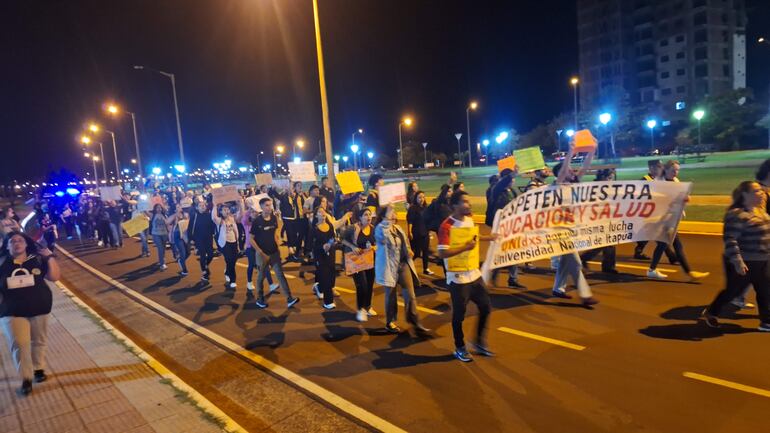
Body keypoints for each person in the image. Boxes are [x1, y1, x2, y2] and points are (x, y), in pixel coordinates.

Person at [701, 181, 770, 331]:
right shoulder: (737, 214)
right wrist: (738, 262)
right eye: (757, 191)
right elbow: (730, 239)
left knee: (765, 291)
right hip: (745, 261)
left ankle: (766, 322)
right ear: (745, 194)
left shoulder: (760, 211)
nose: (762, 193)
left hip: (763, 260)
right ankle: (711, 312)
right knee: (733, 292)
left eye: (762, 190)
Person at [0, 232, 60, 395]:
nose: (17, 243)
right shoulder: (2, 262)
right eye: (12, 241)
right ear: (7, 246)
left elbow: (54, 277)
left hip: (39, 307)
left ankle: (38, 368)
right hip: (11, 311)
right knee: (19, 344)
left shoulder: (37, 259)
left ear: (26, 244)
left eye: (20, 240)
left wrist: (50, 257)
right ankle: (26, 378)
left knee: (38, 340)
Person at [438, 191, 495, 362]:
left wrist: (489, 238)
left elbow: (473, 238)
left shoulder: (469, 219)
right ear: (455, 205)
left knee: (486, 307)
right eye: (465, 202)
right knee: (459, 316)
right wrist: (465, 248)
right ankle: (460, 347)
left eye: (468, 201)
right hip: (458, 278)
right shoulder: (446, 226)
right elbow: (442, 253)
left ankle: (478, 342)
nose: (468, 204)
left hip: (474, 275)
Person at [646, 160, 710, 281]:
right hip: (659, 219)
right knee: (667, 244)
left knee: (671, 245)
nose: (676, 172)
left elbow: (679, 197)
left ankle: (655, 270)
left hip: (671, 219)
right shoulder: (658, 182)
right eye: (673, 170)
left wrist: (685, 199)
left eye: (677, 170)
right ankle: (687, 272)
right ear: (666, 170)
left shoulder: (676, 181)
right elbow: (654, 199)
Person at [550, 156, 599, 307]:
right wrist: (570, 152)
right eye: (568, 170)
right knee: (576, 262)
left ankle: (558, 288)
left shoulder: (574, 184)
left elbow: (585, 167)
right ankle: (585, 295)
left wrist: (591, 152)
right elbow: (563, 171)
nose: (572, 171)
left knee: (566, 261)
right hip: (559, 231)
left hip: (571, 229)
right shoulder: (556, 186)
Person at [375, 205, 430, 335]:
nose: (394, 213)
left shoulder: (398, 228)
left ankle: (415, 321)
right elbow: (384, 238)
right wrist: (387, 221)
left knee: (410, 294)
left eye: (393, 211)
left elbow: (404, 243)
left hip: (403, 265)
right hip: (389, 267)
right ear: (383, 216)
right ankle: (390, 322)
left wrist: (408, 250)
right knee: (391, 296)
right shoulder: (380, 229)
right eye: (391, 211)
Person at [250, 197, 299, 309]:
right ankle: (260, 298)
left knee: (280, 275)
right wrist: (260, 252)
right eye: (267, 205)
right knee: (261, 276)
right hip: (262, 254)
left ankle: (289, 298)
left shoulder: (274, 218)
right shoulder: (257, 221)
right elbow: (251, 239)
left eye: (270, 205)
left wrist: (278, 246)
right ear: (261, 207)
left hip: (274, 253)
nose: (270, 207)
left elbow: (275, 234)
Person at [489, 168, 526, 289]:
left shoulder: (512, 191)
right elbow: (501, 184)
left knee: (514, 250)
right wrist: (511, 175)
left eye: (513, 178)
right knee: (500, 251)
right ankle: (493, 274)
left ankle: (513, 279)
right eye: (511, 178)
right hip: (501, 226)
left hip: (512, 225)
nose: (513, 180)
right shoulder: (496, 190)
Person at [579, 169, 618, 274]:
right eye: (609, 178)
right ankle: (585, 259)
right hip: (598, 219)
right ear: (603, 177)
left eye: (612, 178)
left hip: (608, 218)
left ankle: (608, 266)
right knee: (606, 243)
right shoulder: (595, 188)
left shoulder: (609, 188)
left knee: (609, 242)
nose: (611, 180)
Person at [341, 208, 377, 321]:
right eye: (365, 215)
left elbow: (377, 243)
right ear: (360, 217)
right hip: (356, 262)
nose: (368, 217)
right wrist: (353, 247)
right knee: (362, 285)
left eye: (370, 215)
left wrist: (374, 247)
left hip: (369, 261)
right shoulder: (353, 228)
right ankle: (361, 309)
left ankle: (368, 306)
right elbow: (342, 239)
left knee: (370, 284)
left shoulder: (373, 229)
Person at [242, 206, 279, 294]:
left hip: (260, 247)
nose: (254, 213)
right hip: (250, 247)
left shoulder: (260, 222)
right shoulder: (247, 223)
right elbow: (244, 217)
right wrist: (250, 207)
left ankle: (271, 285)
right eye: (252, 212)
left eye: (256, 212)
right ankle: (249, 282)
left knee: (265, 266)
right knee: (251, 264)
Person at [634, 160, 665, 260]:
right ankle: (672, 256)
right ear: (651, 168)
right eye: (659, 166)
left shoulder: (660, 179)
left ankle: (639, 250)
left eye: (661, 166)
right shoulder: (644, 180)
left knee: (650, 233)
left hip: (657, 211)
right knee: (658, 234)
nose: (661, 168)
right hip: (648, 212)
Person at [212, 200, 243, 289]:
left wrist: (240, 204)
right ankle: (233, 280)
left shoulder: (232, 218)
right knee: (229, 260)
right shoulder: (220, 220)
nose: (226, 211)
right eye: (224, 210)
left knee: (233, 260)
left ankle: (227, 272)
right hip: (225, 243)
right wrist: (215, 206)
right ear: (220, 211)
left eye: (227, 209)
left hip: (234, 241)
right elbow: (213, 217)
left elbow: (241, 215)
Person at [188, 199, 217, 280]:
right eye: (200, 206)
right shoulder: (194, 216)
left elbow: (213, 226)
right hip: (198, 239)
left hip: (208, 238)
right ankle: (204, 272)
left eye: (204, 205)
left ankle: (205, 265)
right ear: (197, 208)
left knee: (211, 255)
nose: (202, 207)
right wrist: (191, 239)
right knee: (203, 255)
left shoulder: (209, 215)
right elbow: (190, 228)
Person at [407, 191, 433, 275]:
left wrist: (429, 231)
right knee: (416, 253)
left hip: (425, 233)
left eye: (423, 197)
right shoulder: (413, 208)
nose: (422, 199)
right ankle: (407, 266)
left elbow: (428, 220)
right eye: (419, 197)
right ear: (416, 198)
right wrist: (409, 232)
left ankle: (426, 268)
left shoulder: (426, 208)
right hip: (416, 233)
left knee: (425, 252)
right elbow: (410, 221)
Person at [167, 207, 190, 276]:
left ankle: (180, 260)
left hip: (185, 235)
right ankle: (184, 270)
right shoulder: (174, 215)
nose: (179, 208)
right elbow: (167, 222)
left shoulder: (186, 214)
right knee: (182, 253)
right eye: (177, 207)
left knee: (188, 252)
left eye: (180, 206)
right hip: (177, 235)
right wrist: (176, 214)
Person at [149, 204, 169, 270]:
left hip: (164, 234)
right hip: (156, 234)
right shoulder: (152, 215)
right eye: (157, 208)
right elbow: (145, 211)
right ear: (155, 209)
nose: (159, 209)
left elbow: (167, 223)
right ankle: (162, 264)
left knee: (163, 248)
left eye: (160, 207)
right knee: (160, 248)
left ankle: (161, 259)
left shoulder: (164, 215)